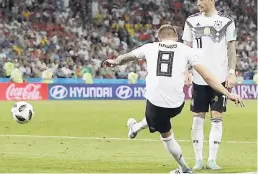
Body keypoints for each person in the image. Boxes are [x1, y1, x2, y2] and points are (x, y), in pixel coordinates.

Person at [103, 24, 244, 174]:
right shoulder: (186, 50)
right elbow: (207, 76)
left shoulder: (149, 47)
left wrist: (115, 62)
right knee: (156, 118)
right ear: (176, 38)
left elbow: (127, 57)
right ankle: (135, 128)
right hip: (177, 104)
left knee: (165, 133)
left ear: (159, 38)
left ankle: (184, 168)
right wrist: (228, 94)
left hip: (156, 102)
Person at [182, 0, 237, 170]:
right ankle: (198, 160)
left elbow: (232, 50)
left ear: (213, 0)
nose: (198, 2)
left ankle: (212, 159)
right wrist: (186, 71)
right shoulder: (191, 21)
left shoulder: (227, 22)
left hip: (219, 79)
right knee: (197, 118)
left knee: (216, 117)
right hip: (198, 78)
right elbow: (186, 49)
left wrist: (231, 72)